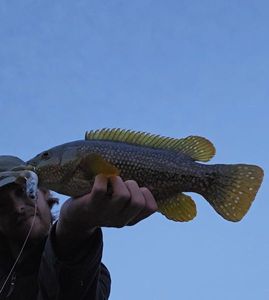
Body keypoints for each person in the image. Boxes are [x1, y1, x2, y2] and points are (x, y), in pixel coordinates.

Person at [0, 156, 158, 300]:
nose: (18, 207)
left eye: (22, 192)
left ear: (45, 192)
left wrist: (73, 230)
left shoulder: (91, 273)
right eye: (1, 205)